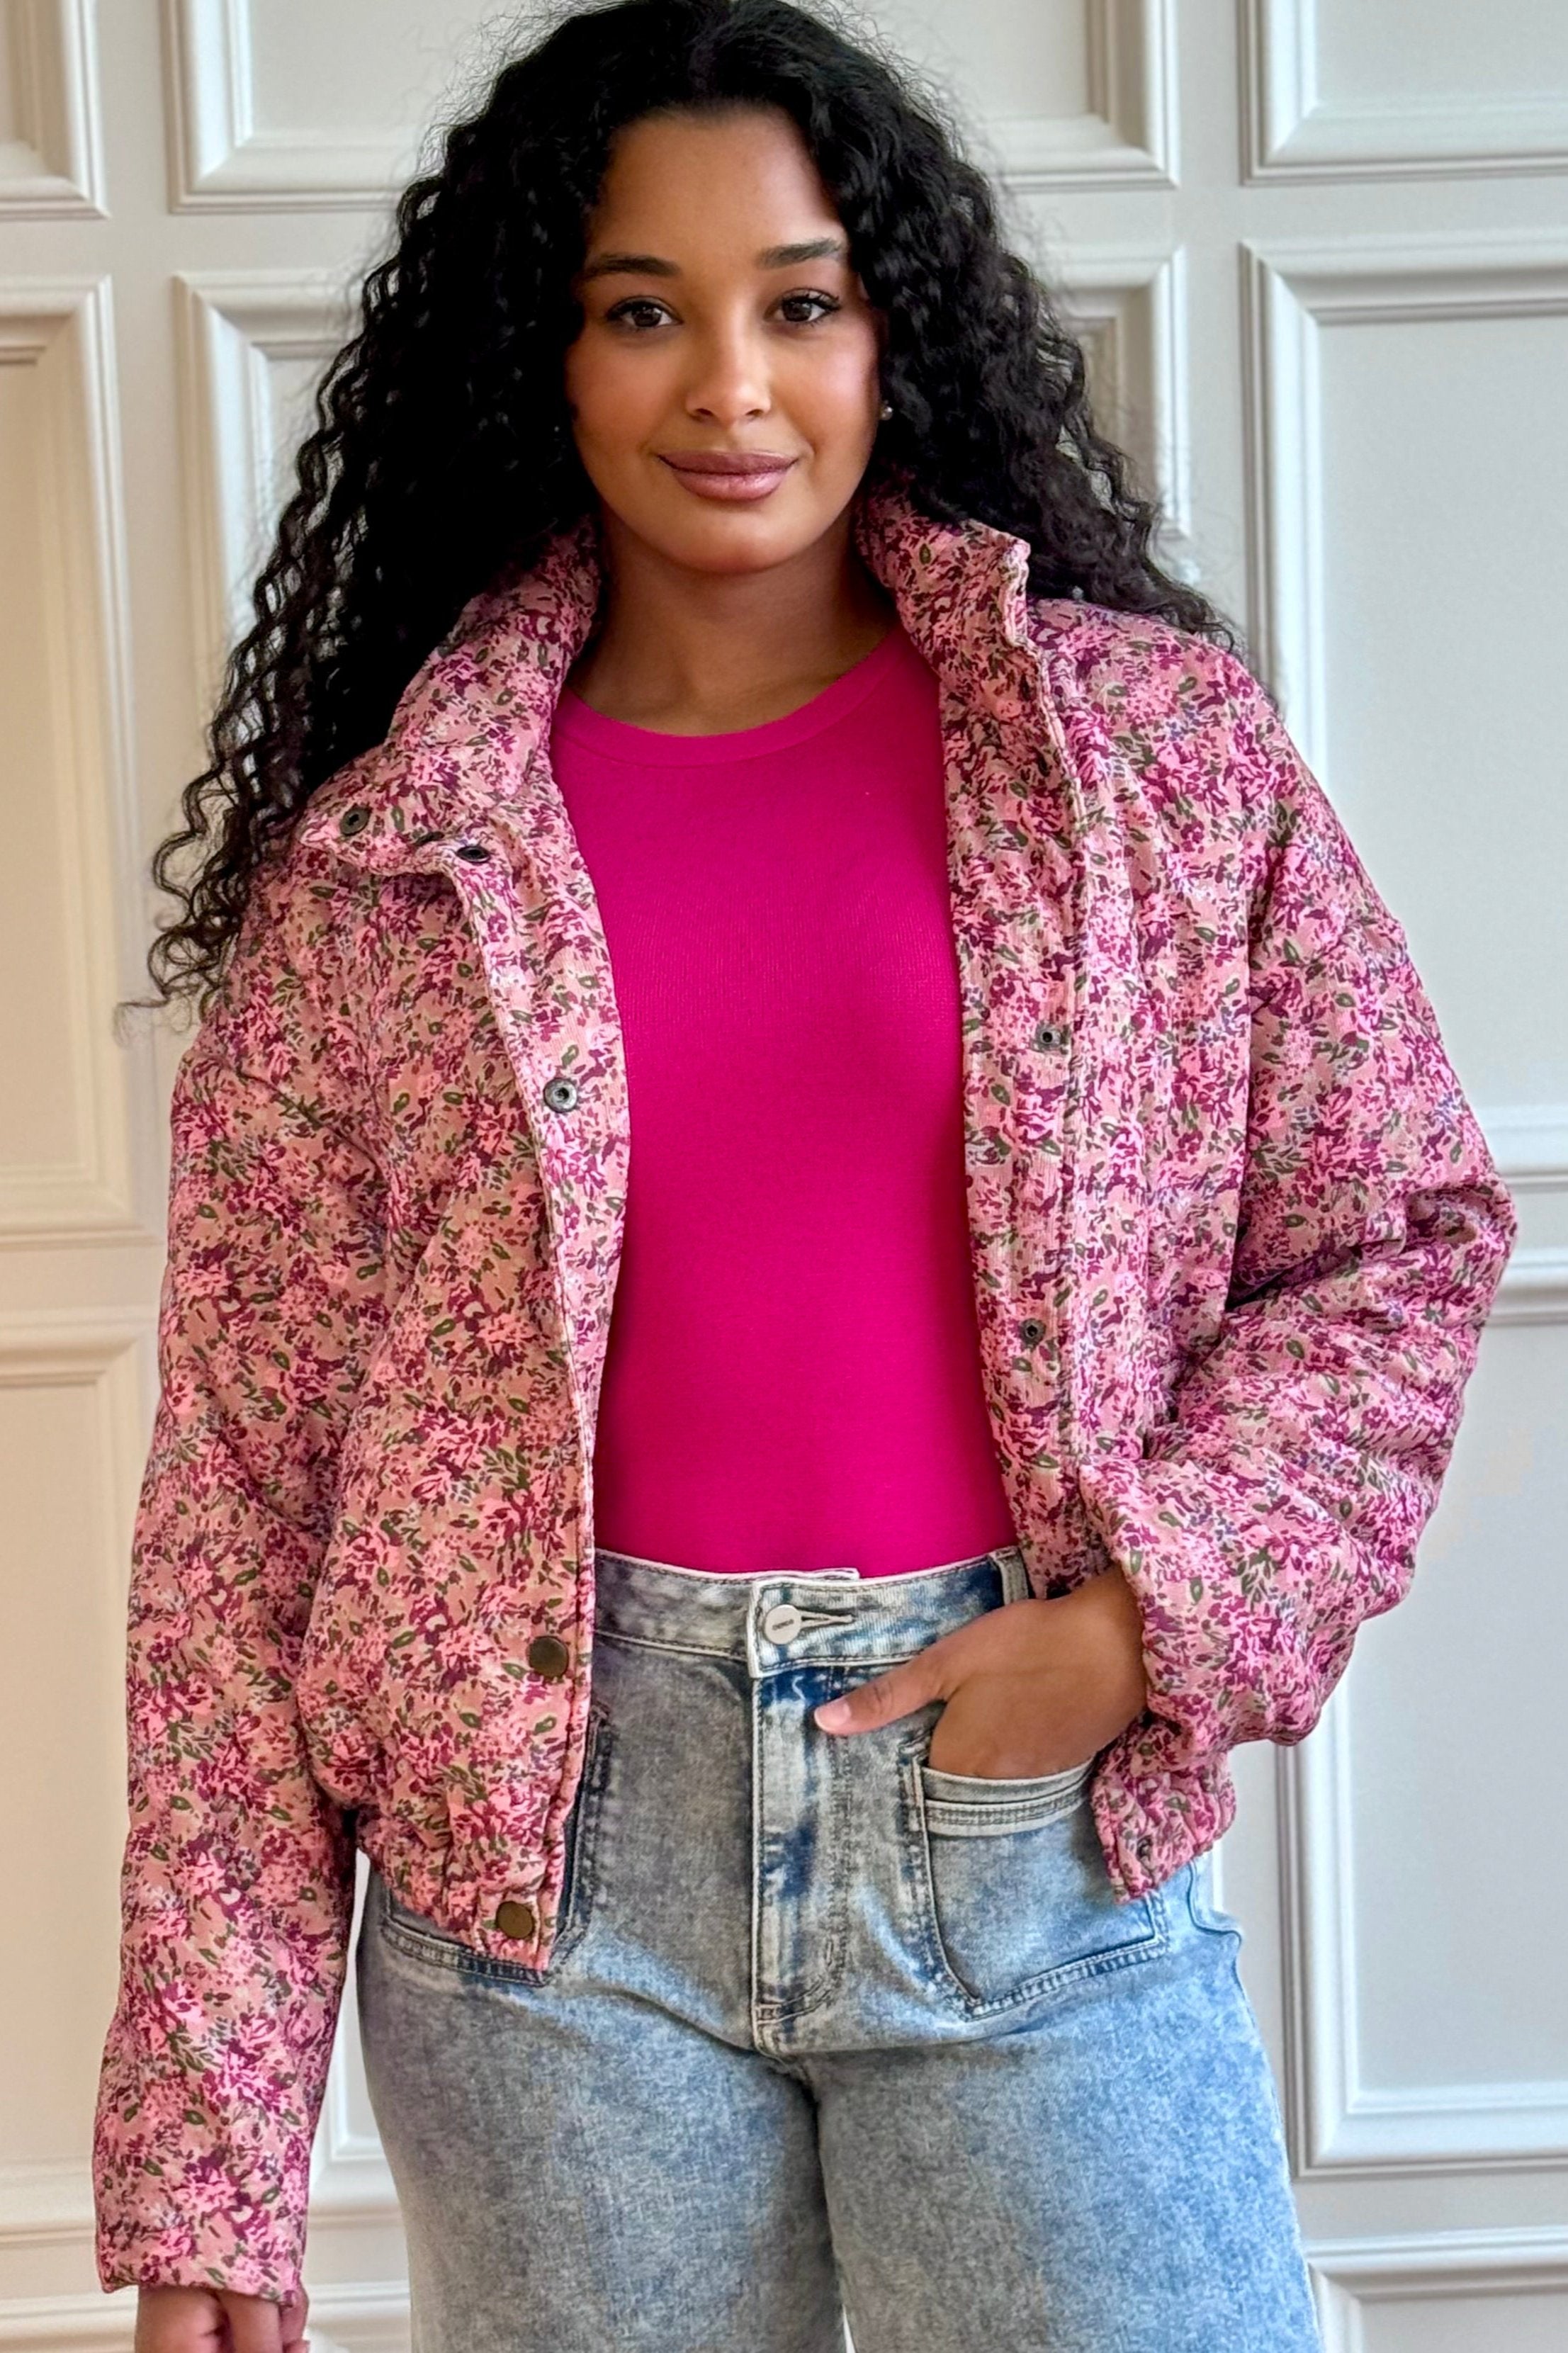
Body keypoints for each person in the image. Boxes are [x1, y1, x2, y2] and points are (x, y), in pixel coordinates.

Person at [94, 3, 1516, 2348]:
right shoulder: (388, 873)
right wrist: (215, 2161)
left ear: (892, 330)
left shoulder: (1146, 764)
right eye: (641, 309)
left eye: (801, 301)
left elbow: (1392, 1239)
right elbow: (240, 1508)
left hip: (1018, 1826)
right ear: (536, 363)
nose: (730, 387)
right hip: (548, 1905)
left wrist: (1146, 1625)